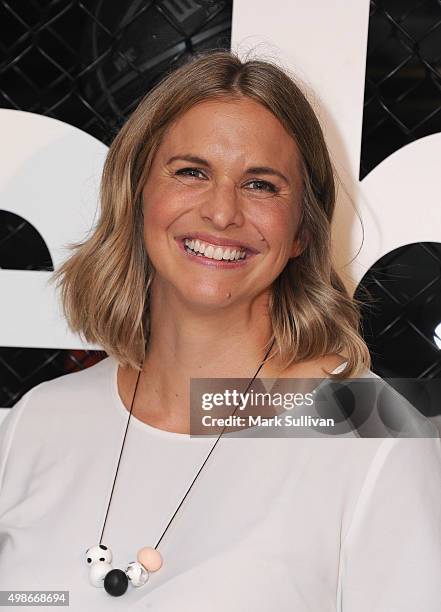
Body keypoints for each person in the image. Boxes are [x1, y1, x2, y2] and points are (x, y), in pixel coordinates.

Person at [0, 50, 440, 611]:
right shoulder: (38, 421)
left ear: (303, 229)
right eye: (191, 172)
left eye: (261, 185)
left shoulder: (373, 434)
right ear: (136, 196)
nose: (223, 212)